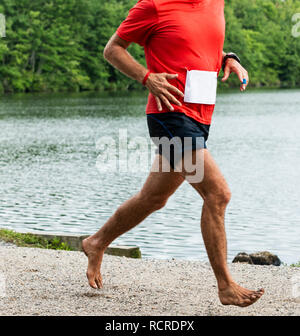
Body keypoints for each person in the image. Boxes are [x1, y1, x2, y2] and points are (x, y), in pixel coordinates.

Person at [82, 0, 264, 307]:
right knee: (217, 194)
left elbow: (194, 45)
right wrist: (146, 77)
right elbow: (112, 49)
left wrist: (227, 58)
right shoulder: (152, 7)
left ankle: (96, 242)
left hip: (200, 117)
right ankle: (225, 286)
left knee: (153, 198)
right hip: (170, 116)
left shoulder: (214, 3)